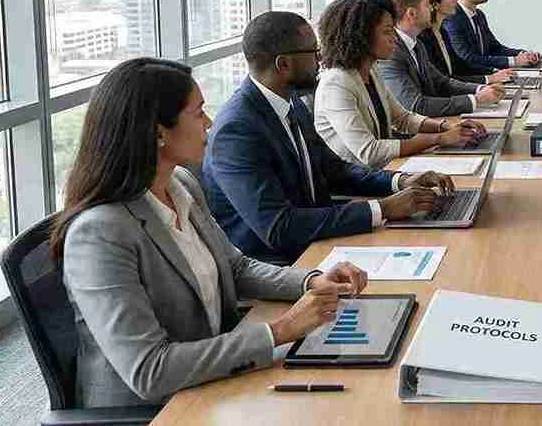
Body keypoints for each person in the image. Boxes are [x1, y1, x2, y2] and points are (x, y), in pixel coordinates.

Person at [55, 58, 371, 407]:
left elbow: (236, 268)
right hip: (156, 409)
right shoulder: (99, 234)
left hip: (212, 377)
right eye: (198, 112)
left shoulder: (181, 185)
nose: (209, 123)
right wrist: (281, 330)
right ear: (159, 133)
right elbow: (149, 370)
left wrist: (311, 281)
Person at [202, 11, 450, 265]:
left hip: (322, 241)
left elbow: (334, 171)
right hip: (286, 264)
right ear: (283, 64)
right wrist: (382, 208)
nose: (320, 58)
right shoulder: (236, 131)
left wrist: (400, 181)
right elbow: (279, 227)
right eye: (313, 51)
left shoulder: (291, 103)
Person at [313, 0, 485, 168]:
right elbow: (369, 152)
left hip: (385, 170)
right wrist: (439, 138)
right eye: (387, 31)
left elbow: (403, 119)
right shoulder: (336, 83)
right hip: (359, 186)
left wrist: (446, 126)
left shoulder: (370, 71)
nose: (394, 38)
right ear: (360, 36)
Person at [378, 0, 505, 117]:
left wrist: (480, 88)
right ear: (411, 14)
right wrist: (475, 100)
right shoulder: (390, 53)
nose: (431, 8)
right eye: (427, 4)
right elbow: (415, 105)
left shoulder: (415, 44)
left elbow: (442, 82)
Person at [419, 0, 515, 84]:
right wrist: (489, 79)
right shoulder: (424, 39)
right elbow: (445, 79)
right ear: (435, 5)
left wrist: (494, 72)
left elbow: (460, 66)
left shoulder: (441, 31)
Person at [442, 0, 541, 70]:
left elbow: (495, 48)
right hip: (474, 81)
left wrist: (524, 54)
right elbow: (468, 58)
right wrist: (514, 61)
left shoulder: (479, 15)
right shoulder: (452, 20)